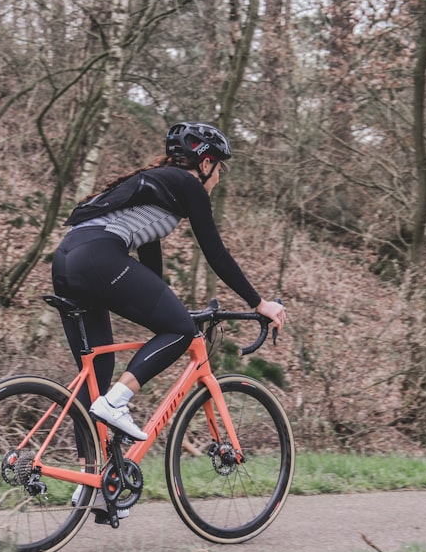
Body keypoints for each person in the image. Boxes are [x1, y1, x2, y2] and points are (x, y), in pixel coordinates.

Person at [51, 121, 286, 444]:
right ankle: (118, 402)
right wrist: (259, 303)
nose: (218, 179)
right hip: (97, 255)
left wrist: (167, 306)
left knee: (97, 373)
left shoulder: (157, 187)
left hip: (66, 260)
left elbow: (150, 262)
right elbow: (215, 254)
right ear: (206, 163)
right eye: (219, 170)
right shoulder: (187, 186)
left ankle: (87, 480)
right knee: (180, 331)